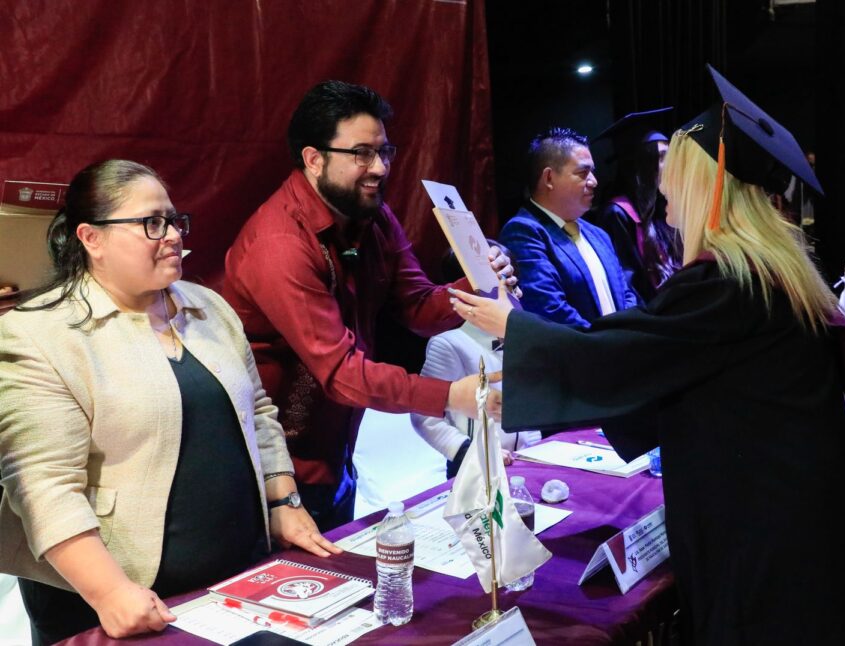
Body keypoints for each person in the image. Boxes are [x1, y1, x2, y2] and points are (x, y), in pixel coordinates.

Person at [449, 65, 845, 645]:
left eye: (672, 172)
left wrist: (515, 327)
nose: (663, 187)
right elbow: (662, 363)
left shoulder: (727, 282)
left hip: (768, 535)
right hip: (795, 512)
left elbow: (629, 355)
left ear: (707, 186)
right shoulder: (767, 271)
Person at [0, 160, 338, 644]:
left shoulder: (209, 307)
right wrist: (111, 592)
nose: (173, 235)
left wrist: (282, 498)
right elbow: (43, 488)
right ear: (91, 239)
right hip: (122, 604)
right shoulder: (37, 334)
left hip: (237, 581)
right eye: (151, 223)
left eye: (175, 220)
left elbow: (259, 412)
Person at [222, 81, 512, 531]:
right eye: (362, 153)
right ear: (313, 159)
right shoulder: (280, 244)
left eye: (384, 151)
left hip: (336, 455)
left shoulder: (369, 214)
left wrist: (479, 283)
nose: (380, 167)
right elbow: (340, 373)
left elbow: (417, 306)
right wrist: (449, 396)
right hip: (276, 475)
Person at [411, 251, 541, 479]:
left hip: (525, 460)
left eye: (513, 283)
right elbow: (424, 415)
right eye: (504, 284)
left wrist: (534, 447)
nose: (515, 293)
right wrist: (469, 450)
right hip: (474, 468)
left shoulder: (522, 336)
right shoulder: (449, 343)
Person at [499, 127, 637, 327]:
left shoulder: (598, 234)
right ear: (549, 178)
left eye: (593, 172)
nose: (594, 181)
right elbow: (550, 310)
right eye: (583, 172)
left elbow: (626, 296)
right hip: (581, 355)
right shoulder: (524, 231)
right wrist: (609, 346)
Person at [590, 108, 683, 303]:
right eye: (662, 156)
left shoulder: (665, 206)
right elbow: (628, 281)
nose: (671, 163)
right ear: (640, 164)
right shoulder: (617, 214)